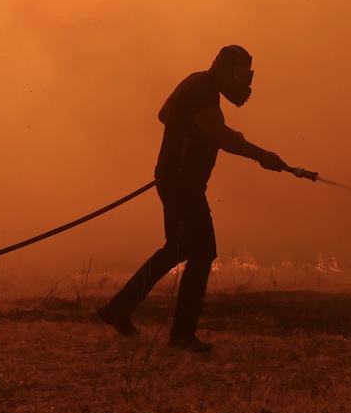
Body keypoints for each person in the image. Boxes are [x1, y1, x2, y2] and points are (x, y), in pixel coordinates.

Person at [97, 45, 292, 353]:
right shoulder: (203, 90)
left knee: (176, 248)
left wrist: (186, 136)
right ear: (223, 69)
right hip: (181, 183)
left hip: (177, 179)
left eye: (248, 76)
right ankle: (182, 335)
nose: (246, 85)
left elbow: (165, 114)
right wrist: (261, 155)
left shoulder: (196, 83)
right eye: (241, 75)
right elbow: (222, 136)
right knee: (202, 253)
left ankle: (118, 309)